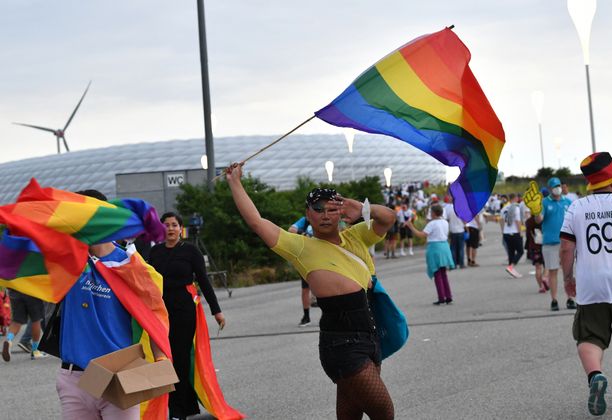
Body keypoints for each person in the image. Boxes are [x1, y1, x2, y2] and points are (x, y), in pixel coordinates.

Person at [225, 162, 396, 419]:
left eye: (332, 209)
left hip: (370, 338)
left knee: (350, 415)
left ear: (341, 213)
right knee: (383, 412)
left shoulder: (357, 236)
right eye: (318, 210)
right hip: (341, 344)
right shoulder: (301, 247)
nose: (325, 215)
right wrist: (234, 182)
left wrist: (362, 208)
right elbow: (257, 223)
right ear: (307, 213)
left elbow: (389, 218)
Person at [53, 189, 168, 419]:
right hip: (74, 377)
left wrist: (160, 358)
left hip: (118, 373)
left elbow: (153, 313)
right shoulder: (67, 260)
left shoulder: (130, 265)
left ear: (102, 218)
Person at [559, 152, 612, 415]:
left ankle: (595, 375)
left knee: (589, 336)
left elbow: (567, 247)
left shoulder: (576, 207)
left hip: (591, 285)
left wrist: (568, 278)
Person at [148, 212, 226, 420]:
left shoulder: (191, 251)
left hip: (184, 309)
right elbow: (145, 282)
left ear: (180, 228)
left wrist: (216, 310)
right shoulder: (155, 252)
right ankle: (178, 406)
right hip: (160, 311)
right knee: (165, 359)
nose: (170, 228)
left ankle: (179, 411)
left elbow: (204, 281)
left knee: (181, 359)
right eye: (166, 225)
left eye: (174, 225)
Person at [525, 177, 576, 311]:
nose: (557, 188)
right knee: (552, 272)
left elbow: (573, 220)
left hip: (566, 242)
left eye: (558, 185)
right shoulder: (544, 202)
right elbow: (539, 220)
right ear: (550, 189)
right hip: (550, 243)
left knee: (568, 272)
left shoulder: (568, 202)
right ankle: (554, 300)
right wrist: (536, 211)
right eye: (554, 186)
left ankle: (570, 298)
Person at [406, 204, 455, 305]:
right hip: (445, 246)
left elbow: (421, 235)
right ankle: (448, 295)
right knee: (443, 273)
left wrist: (411, 227)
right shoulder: (445, 222)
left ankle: (441, 297)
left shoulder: (432, 224)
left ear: (433, 213)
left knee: (437, 273)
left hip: (435, 247)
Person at [1, 290, 48, 360]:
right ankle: (35, 350)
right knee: (36, 320)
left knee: (16, 321)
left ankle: (8, 340)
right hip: (32, 290)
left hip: (15, 290)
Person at [289, 216, 315, 326]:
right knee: (305, 289)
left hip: (321, 258)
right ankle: (306, 316)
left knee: (325, 288)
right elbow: (291, 230)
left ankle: (327, 316)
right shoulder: (304, 221)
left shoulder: (323, 219)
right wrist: (304, 233)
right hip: (305, 259)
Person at [500, 193, 524, 278]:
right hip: (514, 232)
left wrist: (503, 231)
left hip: (506, 232)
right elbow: (518, 221)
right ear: (516, 198)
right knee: (520, 251)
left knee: (511, 252)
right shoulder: (516, 208)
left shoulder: (504, 208)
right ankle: (511, 267)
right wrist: (520, 232)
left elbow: (501, 220)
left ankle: (511, 269)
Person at [524, 212, 548, 293]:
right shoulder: (545, 220)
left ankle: (541, 286)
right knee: (548, 265)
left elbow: (527, 235)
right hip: (545, 244)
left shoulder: (528, 221)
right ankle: (545, 278)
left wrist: (527, 247)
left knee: (538, 267)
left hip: (534, 246)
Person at [444, 196, 466, 269]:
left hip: (452, 230)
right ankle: (461, 264)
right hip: (460, 230)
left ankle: (453, 264)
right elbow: (465, 220)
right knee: (461, 248)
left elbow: (446, 219)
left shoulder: (448, 208)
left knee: (453, 248)